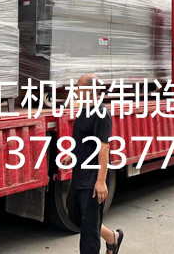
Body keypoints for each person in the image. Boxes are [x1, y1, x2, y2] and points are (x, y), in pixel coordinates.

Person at [61, 74, 124, 254]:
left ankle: (107, 241)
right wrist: (72, 154)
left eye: (78, 87)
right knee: (74, 214)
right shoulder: (84, 110)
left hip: (92, 179)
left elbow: (104, 148)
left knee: (89, 235)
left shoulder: (101, 114)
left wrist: (101, 181)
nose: (75, 90)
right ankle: (112, 237)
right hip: (79, 175)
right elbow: (84, 139)